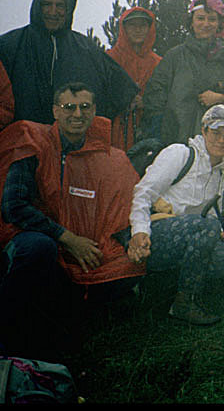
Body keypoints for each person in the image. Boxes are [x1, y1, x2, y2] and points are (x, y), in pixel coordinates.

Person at [0, 83, 145, 355]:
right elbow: (14, 207)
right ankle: (9, 333)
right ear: (55, 111)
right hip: (37, 242)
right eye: (69, 107)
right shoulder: (32, 142)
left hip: (84, 247)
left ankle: (77, 325)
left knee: (127, 265)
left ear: (94, 112)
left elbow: (119, 207)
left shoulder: (107, 157)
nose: (77, 114)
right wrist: (67, 238)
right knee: (37, 248)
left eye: (84, 107)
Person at [126, 104, 224, 325]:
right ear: (203, 131)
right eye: (215, 132)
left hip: (192, 234)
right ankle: (185, 303)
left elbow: (211, 213)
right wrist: (139, 233)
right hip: (155, 235)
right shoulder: (180, 154)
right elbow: (142, 194)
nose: (221, 140)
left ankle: (163, 289)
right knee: (205, 227)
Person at [0, 0, 138, 126]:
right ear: (37, 7)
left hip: (74, 139)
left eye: (59, 6)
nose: (53, 11)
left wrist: (131, 97)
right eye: (47, 4)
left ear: (68, 10)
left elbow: (120, 85)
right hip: (24, 139)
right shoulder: (10, 45)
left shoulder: (86, 48)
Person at [142, 0, 224, 144]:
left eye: (212, 19)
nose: (206, 24)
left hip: (219, 148)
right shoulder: (175, 57)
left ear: (219, 24)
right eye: (200, 18)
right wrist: (161, 135)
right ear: (191, 22)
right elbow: (154, 97)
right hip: (175, 143)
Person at [107, 7, 162, 151]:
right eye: (132, 25)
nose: (138, 30)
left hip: (148, 128)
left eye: (143, 25)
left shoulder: (159, 63)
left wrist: (146, 102)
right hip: (115, 128)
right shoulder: (109, 59)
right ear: (123, 28)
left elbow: (165, 97)